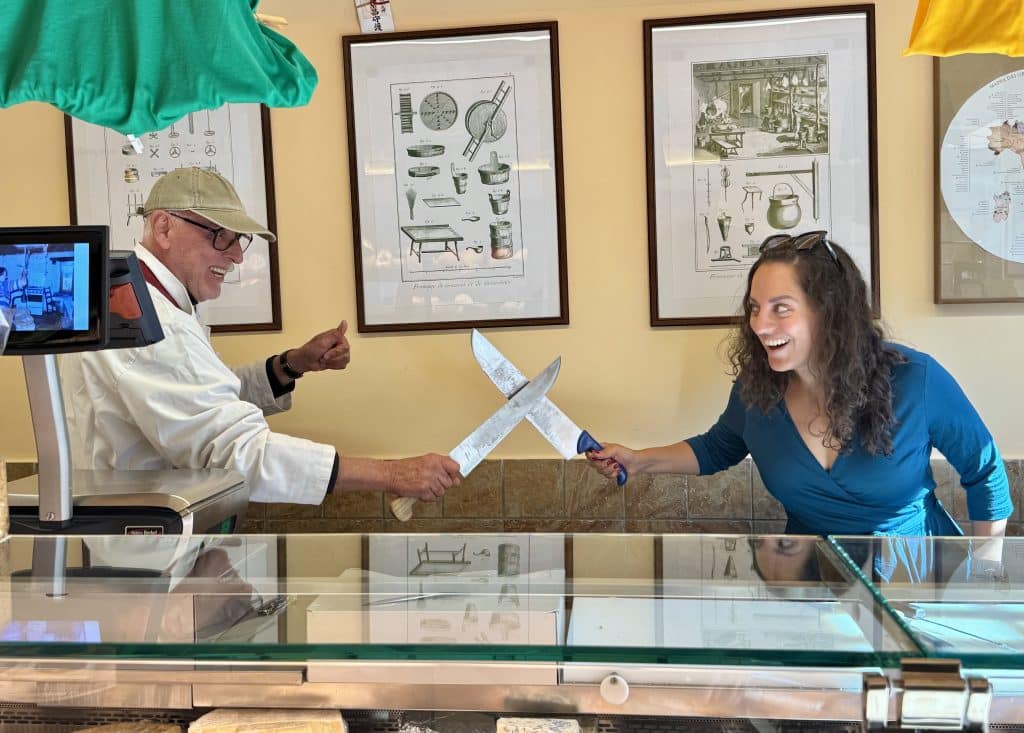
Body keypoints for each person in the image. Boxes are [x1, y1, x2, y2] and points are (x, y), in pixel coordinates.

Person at [60, 166, 461, 506]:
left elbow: (203, 401)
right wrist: (393, 474)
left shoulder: (142, 304)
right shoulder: (150, 323)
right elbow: (238, 451)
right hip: (141, 554)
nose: (236, 256)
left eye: (239, 240)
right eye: (221, 236)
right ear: (164, 227)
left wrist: (292, 364)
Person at [589, 230, 1013, 538]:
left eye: (781, 308)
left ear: (828, 313)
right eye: (755, 308)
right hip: (812, 584)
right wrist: (637, 459)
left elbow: (986, 471)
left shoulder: (915, 380)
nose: (759, 324)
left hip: (915, 583)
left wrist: (982, 579)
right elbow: (717, 448)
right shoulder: (757, 390)